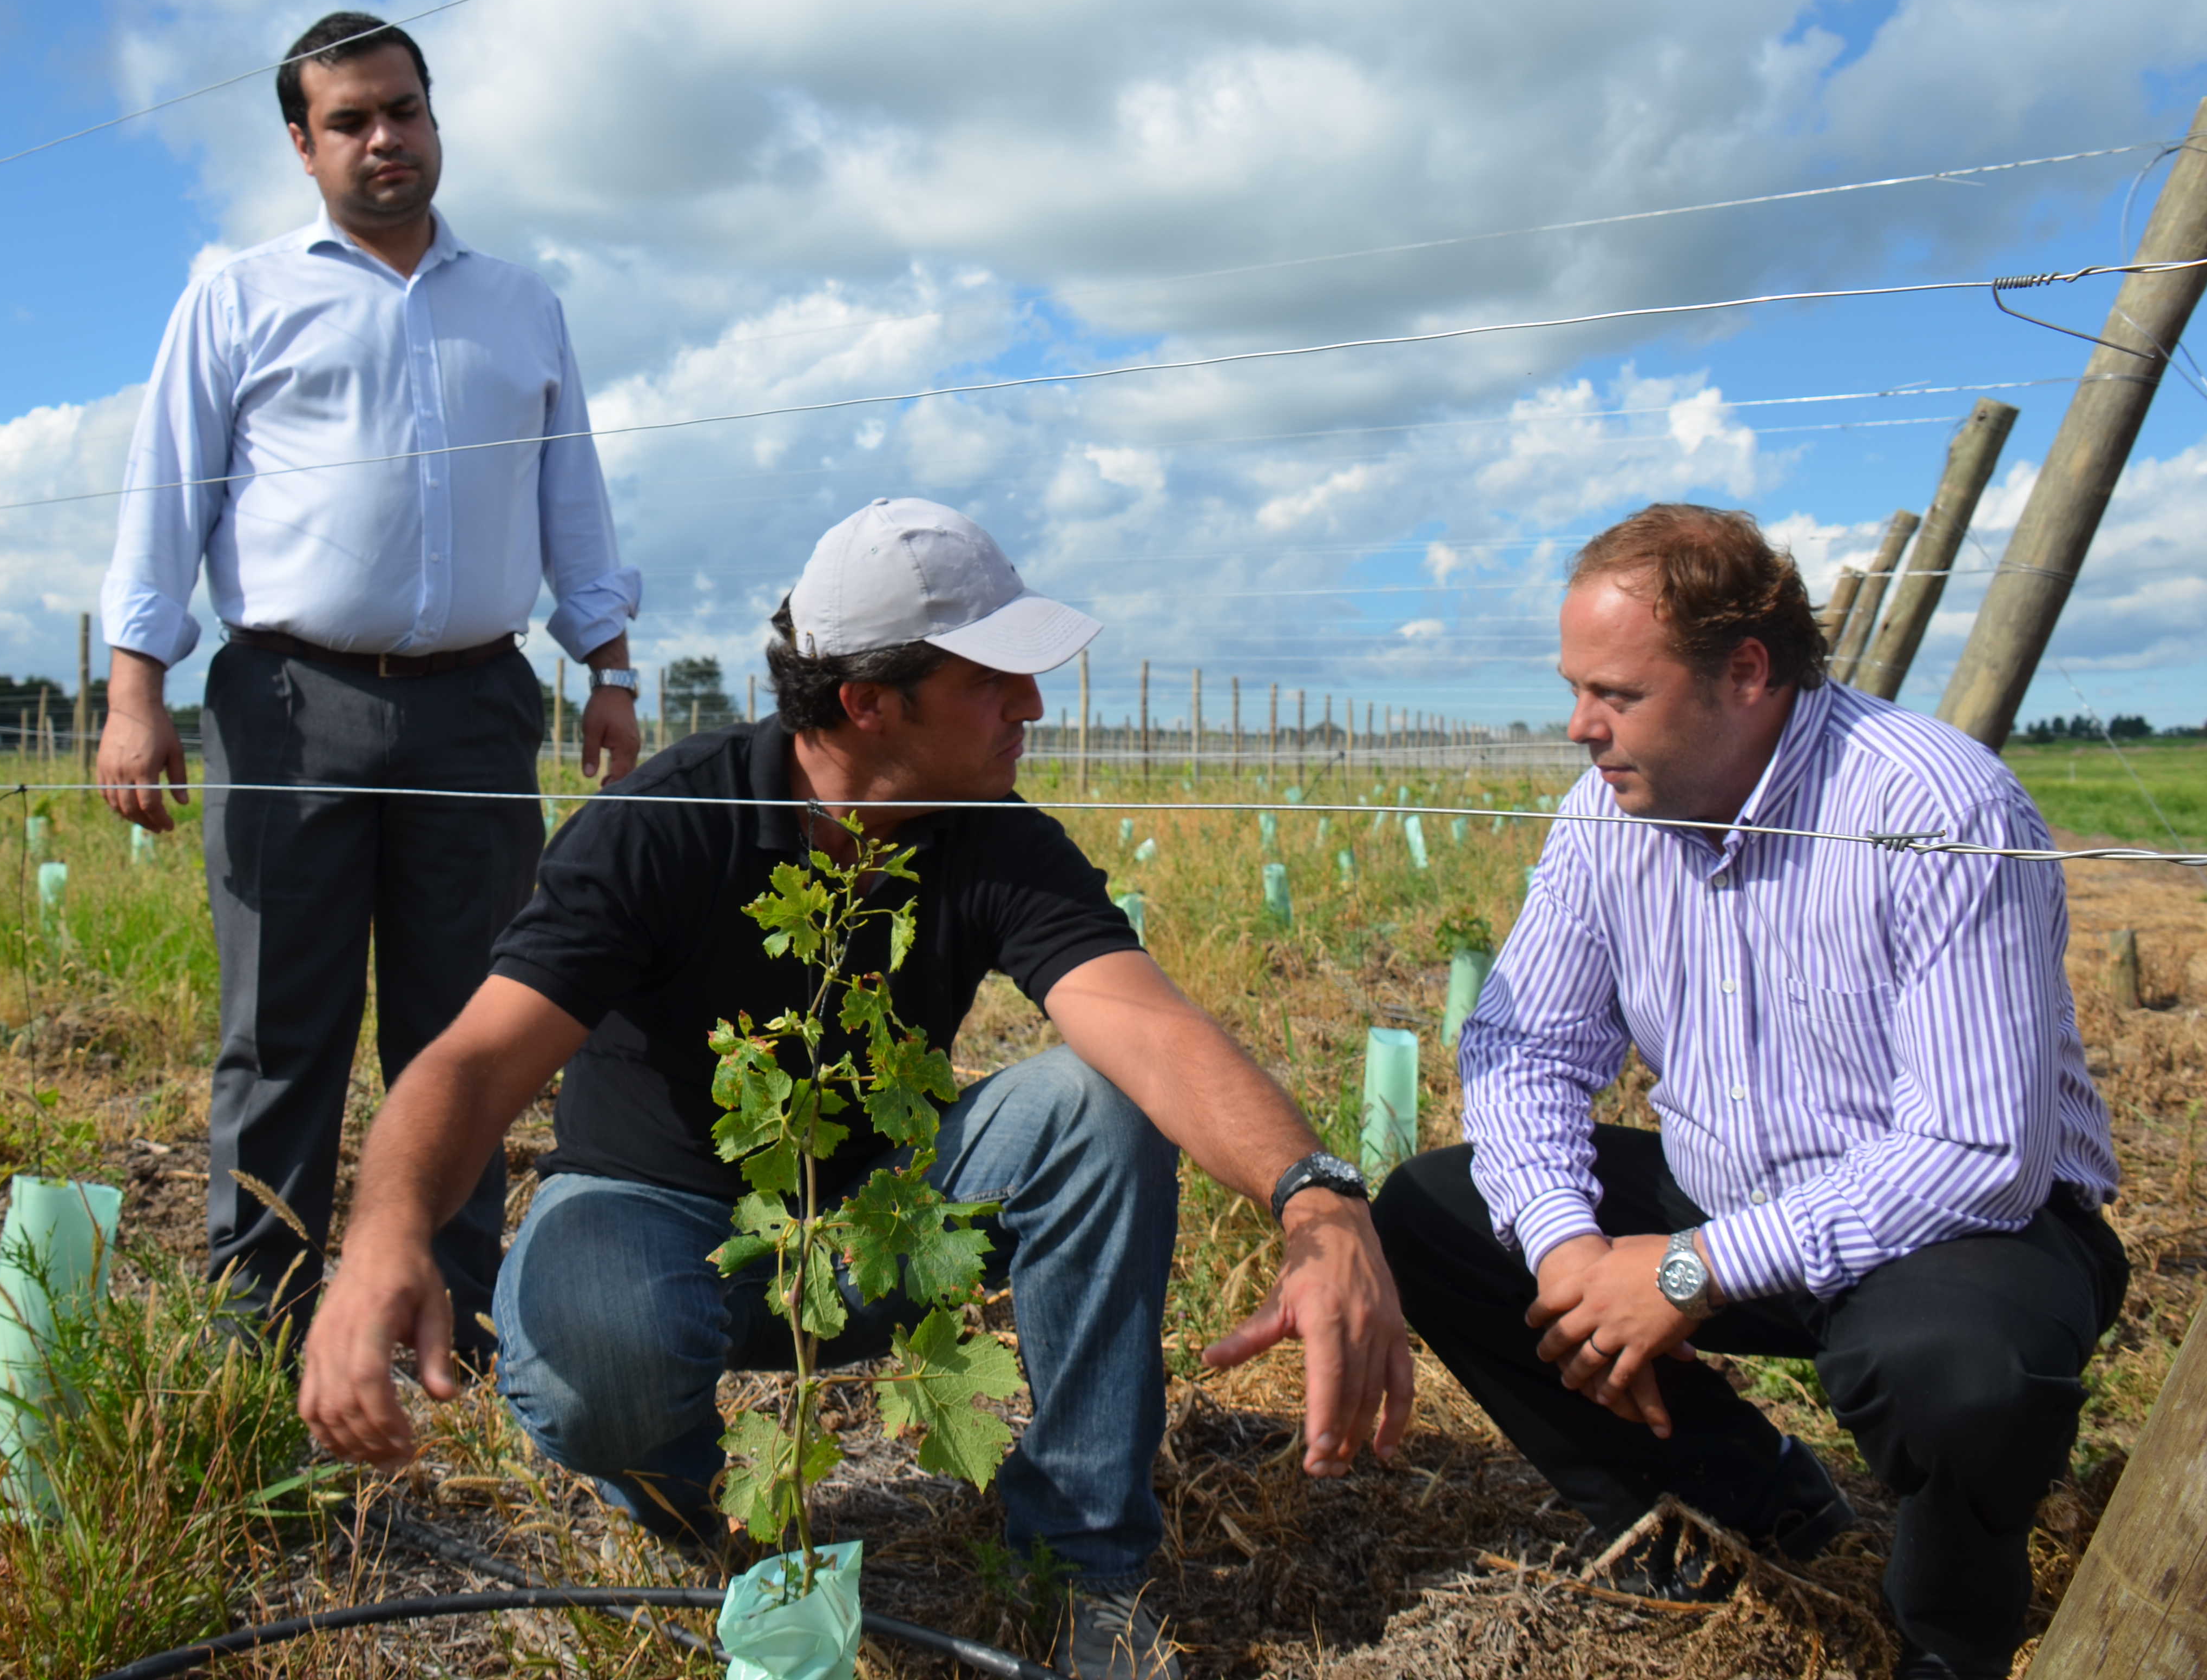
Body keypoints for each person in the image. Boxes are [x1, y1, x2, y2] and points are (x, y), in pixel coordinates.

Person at [300, 498, 1417, 1679]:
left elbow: (1151, 1033)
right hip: (654, 1214)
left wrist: (1320, 1200)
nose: (1032, 707)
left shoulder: (991, 836)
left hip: (885, 1224)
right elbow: (474, 1061)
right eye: (995, 680)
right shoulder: (661, 827)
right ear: (868, 701)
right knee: (595, 1349)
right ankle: (697, 1522)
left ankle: (1088, 1566)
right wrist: (382, 1236)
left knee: (1095, 1104)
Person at [1375, 504, 2125, 1680]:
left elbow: (1979, 1152)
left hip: (1960, 1228)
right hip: (1724, 1190)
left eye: (1615, 694)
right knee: (1432, 1217)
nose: (1579, 728)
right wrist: (1573, 1255)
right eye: (1576, 690)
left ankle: (1949, 1634)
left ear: (1747, 673)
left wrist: (1685, 1271)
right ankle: (1747, 1506)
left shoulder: (1933, 806)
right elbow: (1525, 1050)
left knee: (1955, 1372)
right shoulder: (1603, 819)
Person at [97, 11, 643, 1353]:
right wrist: (134, 690)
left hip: (477, 702)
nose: (383, 139)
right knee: (283, 1023)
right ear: (302, 143)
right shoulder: (237, 297)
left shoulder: (522, 305)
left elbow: (571, 491)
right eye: (349, 120)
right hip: (290, 701)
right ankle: (262, 1312)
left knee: (465, 1024)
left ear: (433, 117)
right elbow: (167, 496)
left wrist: (608, 665)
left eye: (402, 110)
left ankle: (444, 1301)